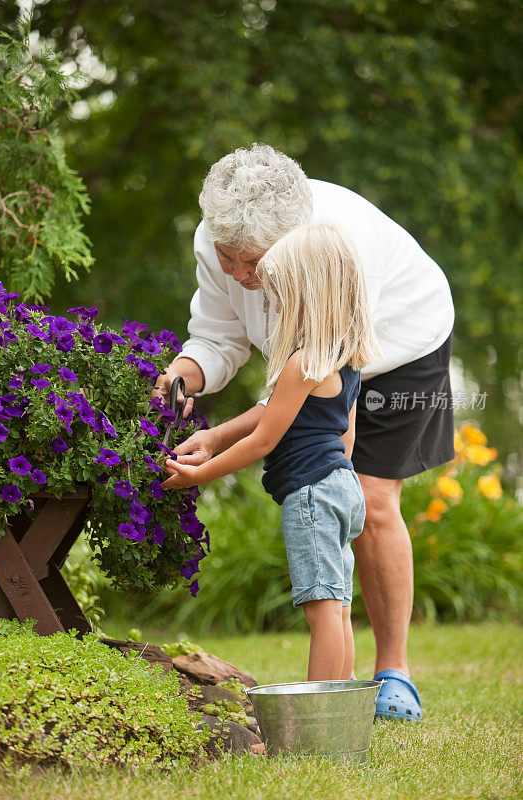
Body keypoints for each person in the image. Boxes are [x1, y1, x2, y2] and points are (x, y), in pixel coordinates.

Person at [155, 143, 456, 720]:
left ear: (292, 248)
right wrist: (179, 378)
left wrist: (211, 458)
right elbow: (218, 341)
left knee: (372, 497)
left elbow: (281, 416)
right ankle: (341, 702)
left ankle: (392, 674)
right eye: (228, 258)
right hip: (314, 374)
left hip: (402, 345)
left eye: (255, 262)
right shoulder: (216, 240)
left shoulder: (335, 251)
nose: (241, 276)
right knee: (340, 547)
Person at [162, 222, 381, 682]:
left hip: (312, 496)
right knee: (337, 609)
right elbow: (346, 440)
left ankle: (315, 728)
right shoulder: (346, 360)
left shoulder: (302, 363)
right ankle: (337, 719)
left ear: (306, 294)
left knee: (321, 613)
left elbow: (264, 439)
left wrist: (200, 475)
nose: (275, 304)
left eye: (281, 293)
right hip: (343, 486)